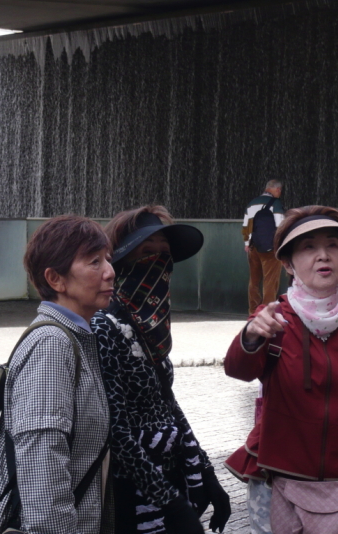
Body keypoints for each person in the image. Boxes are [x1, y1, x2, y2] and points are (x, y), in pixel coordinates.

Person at [223, 205, 338, 534]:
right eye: (308, 247)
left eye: (333, 245)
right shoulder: (272, 319)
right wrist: (251, 335)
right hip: (278, 478)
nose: (323, 255)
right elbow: (237, 369)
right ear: (288, 264)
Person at [91, 206, 231, 534]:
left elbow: (167, 403)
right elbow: (116, 430)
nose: (157, 261)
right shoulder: (104, 326)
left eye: (164, 254)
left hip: (167, 476)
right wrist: (171, 503)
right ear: (121, 261)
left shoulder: (151, 328)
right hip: (130, 491)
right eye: (146, 253)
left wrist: (206, 472)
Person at [0, 215, 114, 534]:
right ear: (55, 279)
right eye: (95, 262)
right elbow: (42, 462)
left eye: (108, 259)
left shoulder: (76, 338)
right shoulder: (51, 344)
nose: (110, 272)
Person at [242, 180, 285, 315]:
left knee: (254, 281)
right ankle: (267, 313)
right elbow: (280, 226)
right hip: (270, 249)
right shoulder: (276, 204)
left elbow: (245, 226)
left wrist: (247, 244)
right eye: (280, 191)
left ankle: (253, 311)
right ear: (277, 190)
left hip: (253, 247)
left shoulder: (252, 203)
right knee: (270, 281)